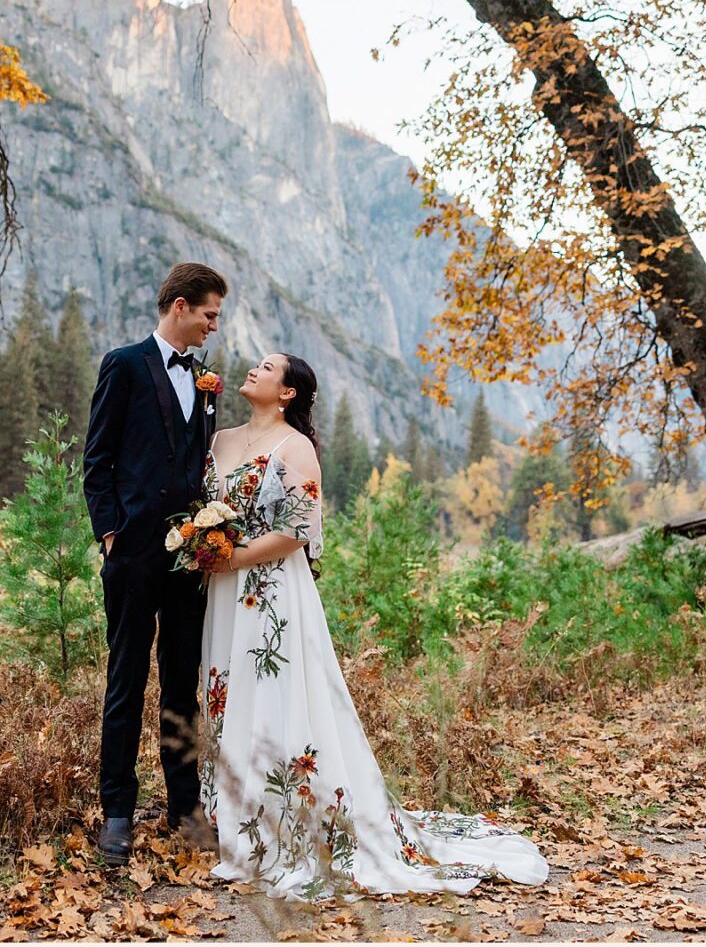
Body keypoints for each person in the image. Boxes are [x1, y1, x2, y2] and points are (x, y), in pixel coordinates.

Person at [197, 353, 549, 901]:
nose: (254, 370)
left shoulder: (296, 448)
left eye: (267, 368)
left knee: (274, 695)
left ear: (287, 392)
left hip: (271, 590)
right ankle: (241, 830)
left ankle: (290, 829)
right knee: (230, 698)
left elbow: (297, 529)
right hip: (222, 594)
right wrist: (202, 546)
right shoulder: (218, 441)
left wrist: (234, 557)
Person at [82, 262, 228, 865]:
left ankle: (184, 808)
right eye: (208, 315)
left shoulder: (204, 380)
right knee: (125, 683)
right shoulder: (123, 364)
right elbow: (98, 461)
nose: (212, 328)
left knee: (180, 686)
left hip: (188, 563)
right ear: (178, 306)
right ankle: (116, 812)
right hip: (133, 557)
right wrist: (113, 536)